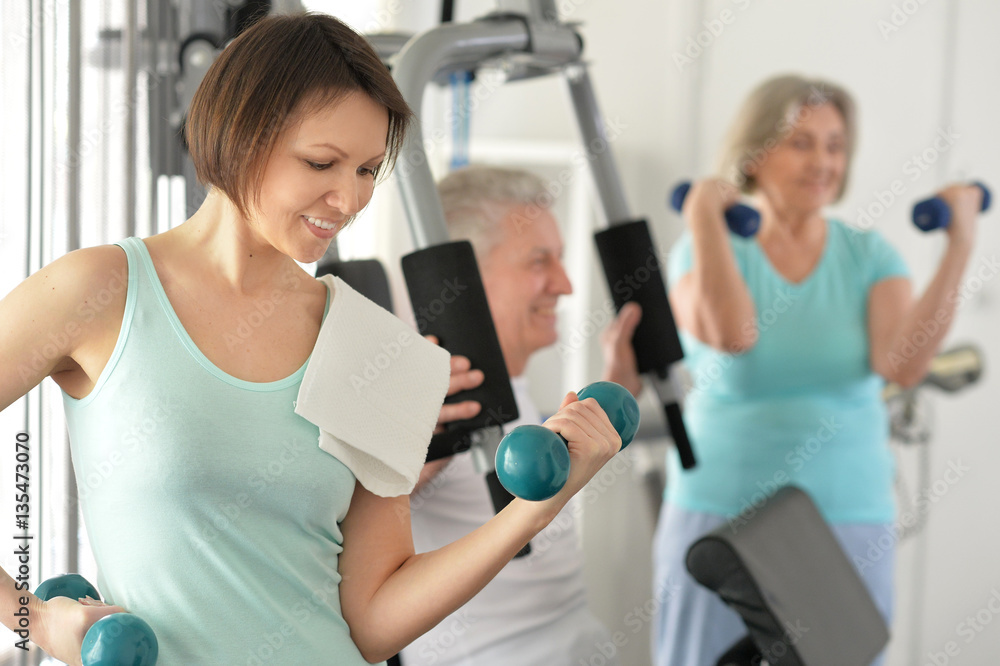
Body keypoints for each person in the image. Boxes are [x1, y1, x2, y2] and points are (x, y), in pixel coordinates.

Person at [0, 14, 626, 665]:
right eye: (322, 162)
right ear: (243, 133)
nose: (349, 198)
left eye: (367, 170)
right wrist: (34, 618)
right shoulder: (100, 292)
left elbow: (373, 620)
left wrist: (533, 508)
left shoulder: (374, 343)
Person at [650, 74, 984, 666]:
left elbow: (902, 366)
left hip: (846, 508)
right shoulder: (698, 252)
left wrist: (960, 244)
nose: (823, 161)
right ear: (754, 153)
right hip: (719, 507)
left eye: (834, 145)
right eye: (801, 142)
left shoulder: (867, 255)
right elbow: (733, 333)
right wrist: (705, 213)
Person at [400, 165, 643, 666]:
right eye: (539, 261)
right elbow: (337, 527)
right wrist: (409, 452)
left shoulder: (512, 388)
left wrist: (614, 396)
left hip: (577, 638)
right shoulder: (411, 392)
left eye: (560, 259)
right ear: (462, 282)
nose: (566, 284)